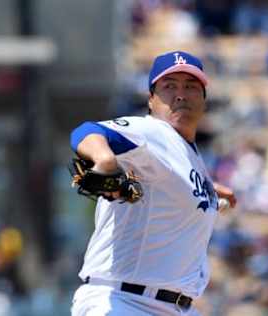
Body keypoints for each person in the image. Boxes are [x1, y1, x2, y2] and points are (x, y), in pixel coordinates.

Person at [69, 51, 237, 316]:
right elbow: (87, 131)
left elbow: (167, 180)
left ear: (203, 99)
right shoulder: (152, 132)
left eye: (191, 86)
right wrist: (104, 158)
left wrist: (208, 189)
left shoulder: (188, 154)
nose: (180, 94)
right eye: (169, 86)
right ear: (151, 100)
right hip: (123, 301)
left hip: (172, 307)